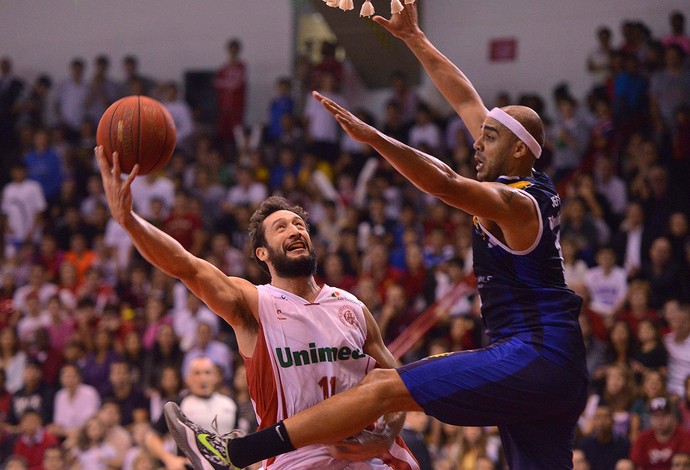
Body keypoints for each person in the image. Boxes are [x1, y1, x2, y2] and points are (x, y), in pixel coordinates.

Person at [165, 4, 588, 469]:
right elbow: (467, 100)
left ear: (516, 150)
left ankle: (233, 453)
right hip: (555, 366)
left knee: (383, 387)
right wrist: (414, 38)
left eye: (488, 138)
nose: (476, 141)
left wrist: (374, 138)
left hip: (534, 353)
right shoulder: (523, 178)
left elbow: (444, 184)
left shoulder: (517, 205)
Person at [94, 145, 418, 470]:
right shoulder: (253, 303)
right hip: (295, 460)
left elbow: (397, 387)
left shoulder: (354, 308)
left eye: (299, 225)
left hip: (373, 458)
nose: (294, 231)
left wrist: (386, 434)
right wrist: (129, 221)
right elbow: (186, 266)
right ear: (262, 254)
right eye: (281, 228)